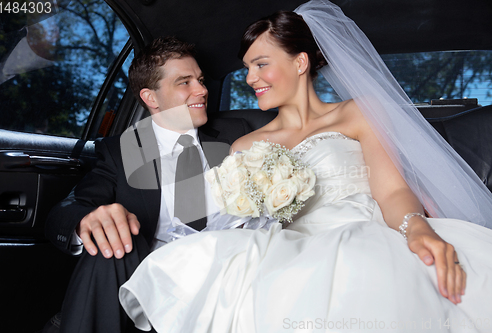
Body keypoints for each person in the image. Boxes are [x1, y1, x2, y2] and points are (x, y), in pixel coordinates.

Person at [119, 1, 492, 332]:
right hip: (286, 248)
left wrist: (417, 229)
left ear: (300, 62)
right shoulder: (246, 146)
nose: (250, 78)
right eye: (247, 68)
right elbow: (235, 220)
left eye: (261, 64)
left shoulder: (358, 113)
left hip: (365, 232)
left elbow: (392, 190)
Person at [43, 37, 250, 333]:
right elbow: (66, 210)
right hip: (153, 283)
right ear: (151, 98)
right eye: (184, 82)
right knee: (111, 243)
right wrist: (88, 221)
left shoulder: (237, 133)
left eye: (201, 81)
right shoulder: (119, 152)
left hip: (229, 272)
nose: (202, 90)